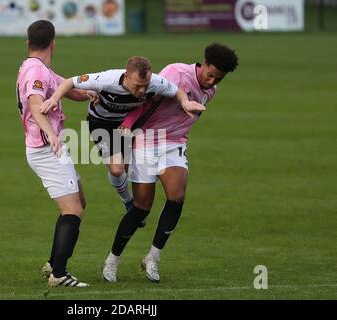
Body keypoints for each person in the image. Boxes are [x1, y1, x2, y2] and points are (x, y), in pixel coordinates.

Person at [101, 43, 239, 283]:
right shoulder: (176, 73)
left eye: (218, 79)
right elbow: (145, 98)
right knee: (142, 207)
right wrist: (127, 127)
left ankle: (153, 258)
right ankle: (112, 260)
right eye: (210, 75)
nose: (211, 81)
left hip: (173, 143)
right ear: (204, 64)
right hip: (145, 139)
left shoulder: (211, 91)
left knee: (176, 196)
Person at [40, 57, 205, 222]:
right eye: (137, 85)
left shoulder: (155, 82)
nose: (142, 90)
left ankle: (130, 197)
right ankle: (128, 201)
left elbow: (176, 90)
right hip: (101, 124)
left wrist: (185, 102)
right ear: (126, 76)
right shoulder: (107, 79)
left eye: (145, 85)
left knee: (124, 168)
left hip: (126, 125)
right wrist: (54, 99)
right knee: (117, 169)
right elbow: (70, 82)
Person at [15, 20, 97, 287]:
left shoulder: (39, 68)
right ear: (54, 43)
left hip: (53, 145)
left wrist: (86, 93)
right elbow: (36, 104)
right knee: (73, 209)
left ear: (28, 43)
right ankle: (59, 274)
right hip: (46, 148)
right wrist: (50, 132)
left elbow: (64, 86)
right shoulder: (35, 72)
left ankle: (53, 263)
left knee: (79, 202)